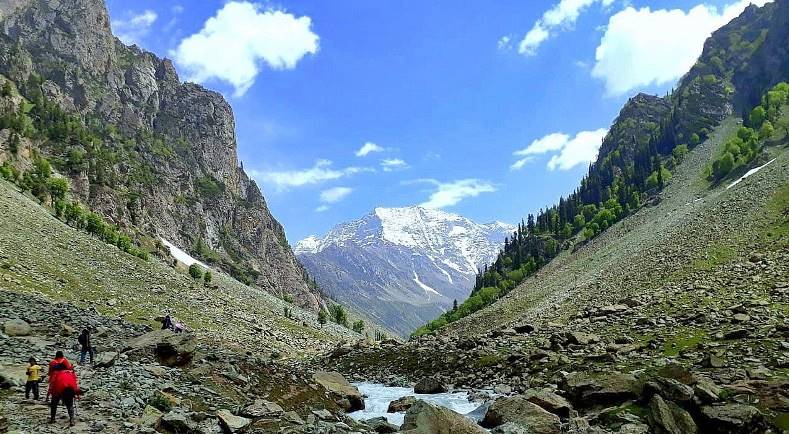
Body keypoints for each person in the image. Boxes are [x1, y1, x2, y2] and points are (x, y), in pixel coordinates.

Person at [47, 351, 78, 426]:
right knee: (69, 404)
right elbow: (70, 369)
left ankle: (53, 419)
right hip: (67, 383)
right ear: (62, 355)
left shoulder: (52, 363)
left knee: (54, 403)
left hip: (56, 384)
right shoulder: (65, 361)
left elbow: (49, 372)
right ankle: (72, 419)